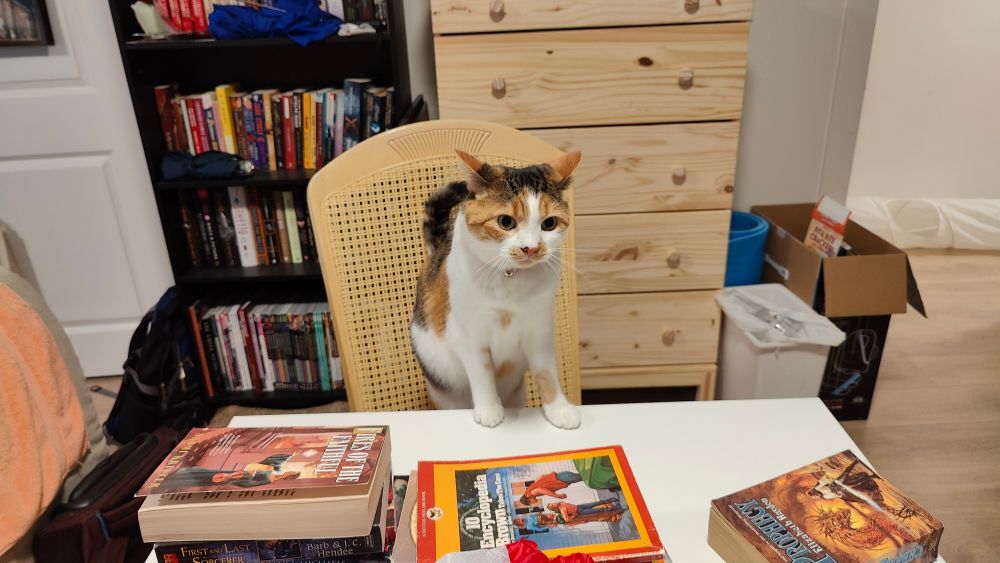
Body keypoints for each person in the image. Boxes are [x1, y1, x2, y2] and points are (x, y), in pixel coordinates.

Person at [518, 471, 583, 507]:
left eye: (531, 503)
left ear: (529, 500)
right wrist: (551, 477)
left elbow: (540, 490)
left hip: (562, 479)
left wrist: (557, 496)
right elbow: (541, 476)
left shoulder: (532, 493)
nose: (533, 503)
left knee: (586, 477)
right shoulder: (533, 486)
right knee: (584, 476)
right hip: (561, 476)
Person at [547, 499, 625, 525]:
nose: (554, 503)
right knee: (598, 510)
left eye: (552, 503)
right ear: (554, 507)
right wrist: (574, 515)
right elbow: (567, 519)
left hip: (579, 506)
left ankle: (612, 500)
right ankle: (617, 509)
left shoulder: (561, 503)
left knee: (596, 503)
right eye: (552, 505)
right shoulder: (562, 510)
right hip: (580, 511)